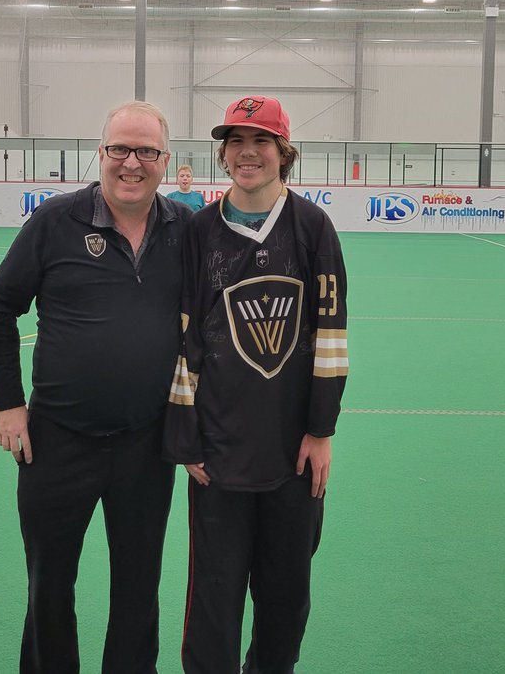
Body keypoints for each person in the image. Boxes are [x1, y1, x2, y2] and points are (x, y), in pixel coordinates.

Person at [0, 100, 190, 674]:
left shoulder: (186, 231)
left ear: (164, 161)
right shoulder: (55, 222)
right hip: (56, 442)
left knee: (138, 587)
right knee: (49, 585)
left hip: (147, 445)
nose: (131, 163)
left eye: (145, 151)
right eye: (119, 149)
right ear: (100, 154)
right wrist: (8, 405)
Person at [164, 95, 349, 674]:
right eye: (236, 142)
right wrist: (185, 433)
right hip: (217, 452)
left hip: (293, 453)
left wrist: (321, 431)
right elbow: (183, 336)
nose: (248, 153)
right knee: (213, 601)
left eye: (260, 142)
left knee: (286, 597)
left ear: (283, 153)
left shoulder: (313, 227)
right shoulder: (199, 230)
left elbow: (331, 336)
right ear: (223, 154)